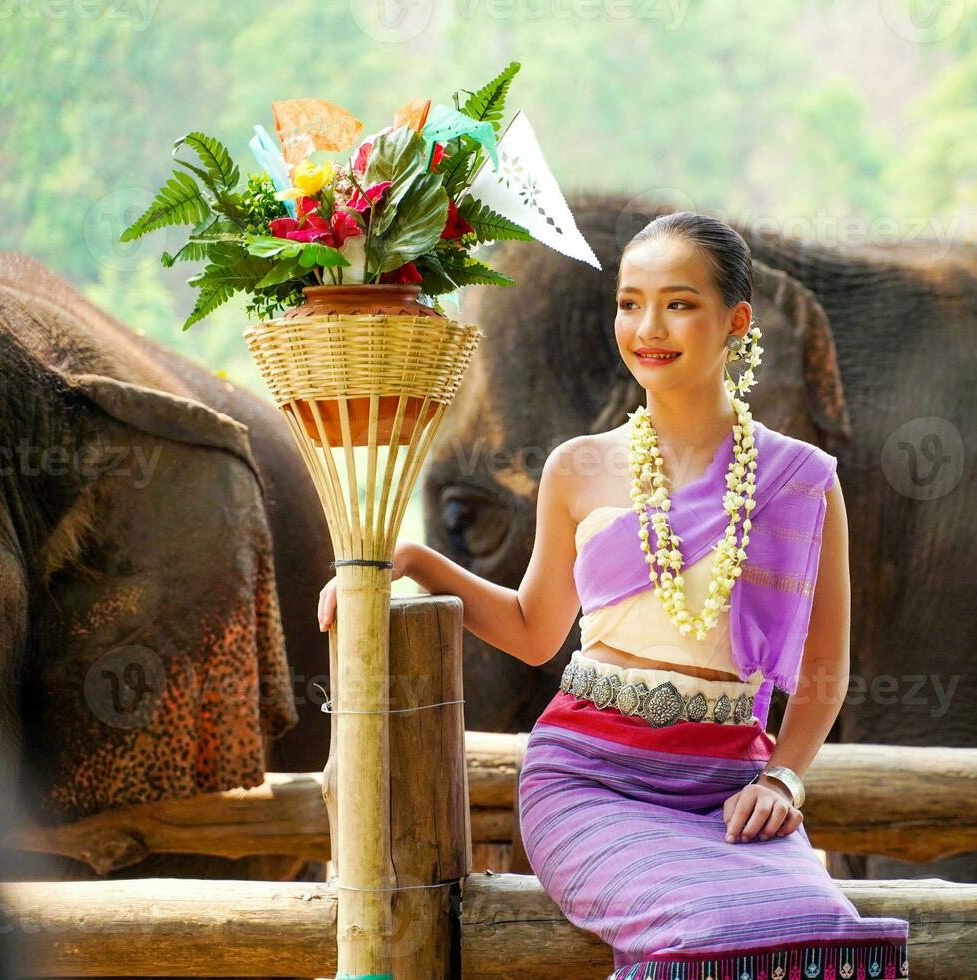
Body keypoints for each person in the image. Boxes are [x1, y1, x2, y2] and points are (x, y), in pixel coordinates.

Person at [317, 211, 910, 978]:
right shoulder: (577, 469)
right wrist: (416, 558)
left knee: (819, 925)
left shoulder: (802, 479)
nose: (647, 326)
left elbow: (826, 669)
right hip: (591, 779)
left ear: (737, 321)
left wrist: (782, 776)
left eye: (679, 302)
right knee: (699, 929)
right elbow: (535, 630)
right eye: (630, 302)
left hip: (727, 786)